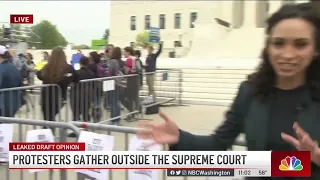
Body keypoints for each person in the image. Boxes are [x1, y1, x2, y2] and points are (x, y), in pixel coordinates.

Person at [138, 3, 320, 179]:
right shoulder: (250, 92)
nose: (287, 54)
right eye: (279, 43)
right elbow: (218, 144)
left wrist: (316, 157)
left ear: (315, 50)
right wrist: (180, 138)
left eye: (300, 44)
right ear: (268, 48)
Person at [37, 47, 79, 126]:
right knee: (50, 119)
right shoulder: (67, 67)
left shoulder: (47, 67)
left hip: (45, 97)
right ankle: (49, 135)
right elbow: (76, 78)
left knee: (48, 119)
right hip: (59, 97)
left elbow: (39, 75)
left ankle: (48, 135)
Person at [0, 45, 25, 117]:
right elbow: (20, 83)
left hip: (3, 103)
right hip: (14, 103)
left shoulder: (1, 68)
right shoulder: (13, 67)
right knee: (7, 125)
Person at [70, 56, 95, 122]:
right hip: (87, 96)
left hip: (76, 96)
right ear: (88, 63)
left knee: (75, 114)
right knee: (86, 113)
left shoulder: (76, 73)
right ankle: (86, 128)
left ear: (80, 62)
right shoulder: (91, 73)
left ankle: (76, 129)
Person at [107, 47, 124, 125]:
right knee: (116, 102)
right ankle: (116, 119)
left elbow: (110, 71)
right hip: (117, 83)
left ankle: (114, 120)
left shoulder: (113, 61)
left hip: (112, 82)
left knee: (113, 102)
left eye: (111, 50)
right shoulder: (119, 61)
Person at [123, 46, 140, 121]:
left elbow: (126, 71)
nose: (123, 53)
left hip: (131, 80)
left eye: (124, 51)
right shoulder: (136, 58)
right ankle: (135, 113)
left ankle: (131, 114)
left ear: (128, 52)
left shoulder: (129, 60)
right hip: (136, 79)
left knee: (129, 98)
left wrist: (124, 68)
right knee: (134, 97)